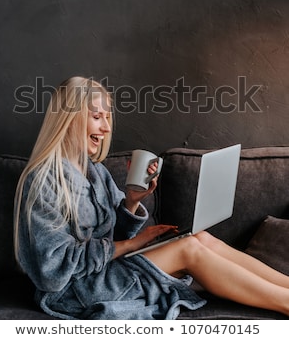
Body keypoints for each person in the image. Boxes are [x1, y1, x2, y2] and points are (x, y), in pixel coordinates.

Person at [14, 76, 289, 320]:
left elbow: (112, 236)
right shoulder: (43, 180)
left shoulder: (95, 171)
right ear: (69, 119)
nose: (107, 128)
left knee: (200, 239)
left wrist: (132, 201)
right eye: (97, 117)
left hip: (106, 270)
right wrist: (133, 244)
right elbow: (52, 271)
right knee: (188, 250)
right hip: (74, 291)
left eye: (107, 118)